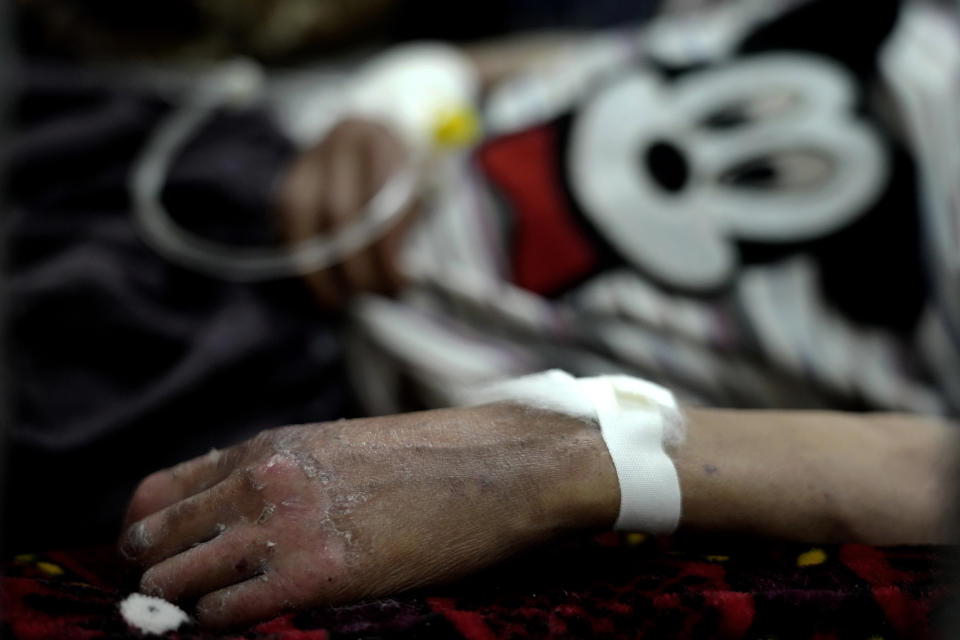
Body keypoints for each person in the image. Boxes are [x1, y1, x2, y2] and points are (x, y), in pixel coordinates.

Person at [4, 0, 958, 629]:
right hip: (234, 152)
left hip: (296, 359)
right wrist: (421, 85)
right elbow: (635, 49)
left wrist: (567, 457)